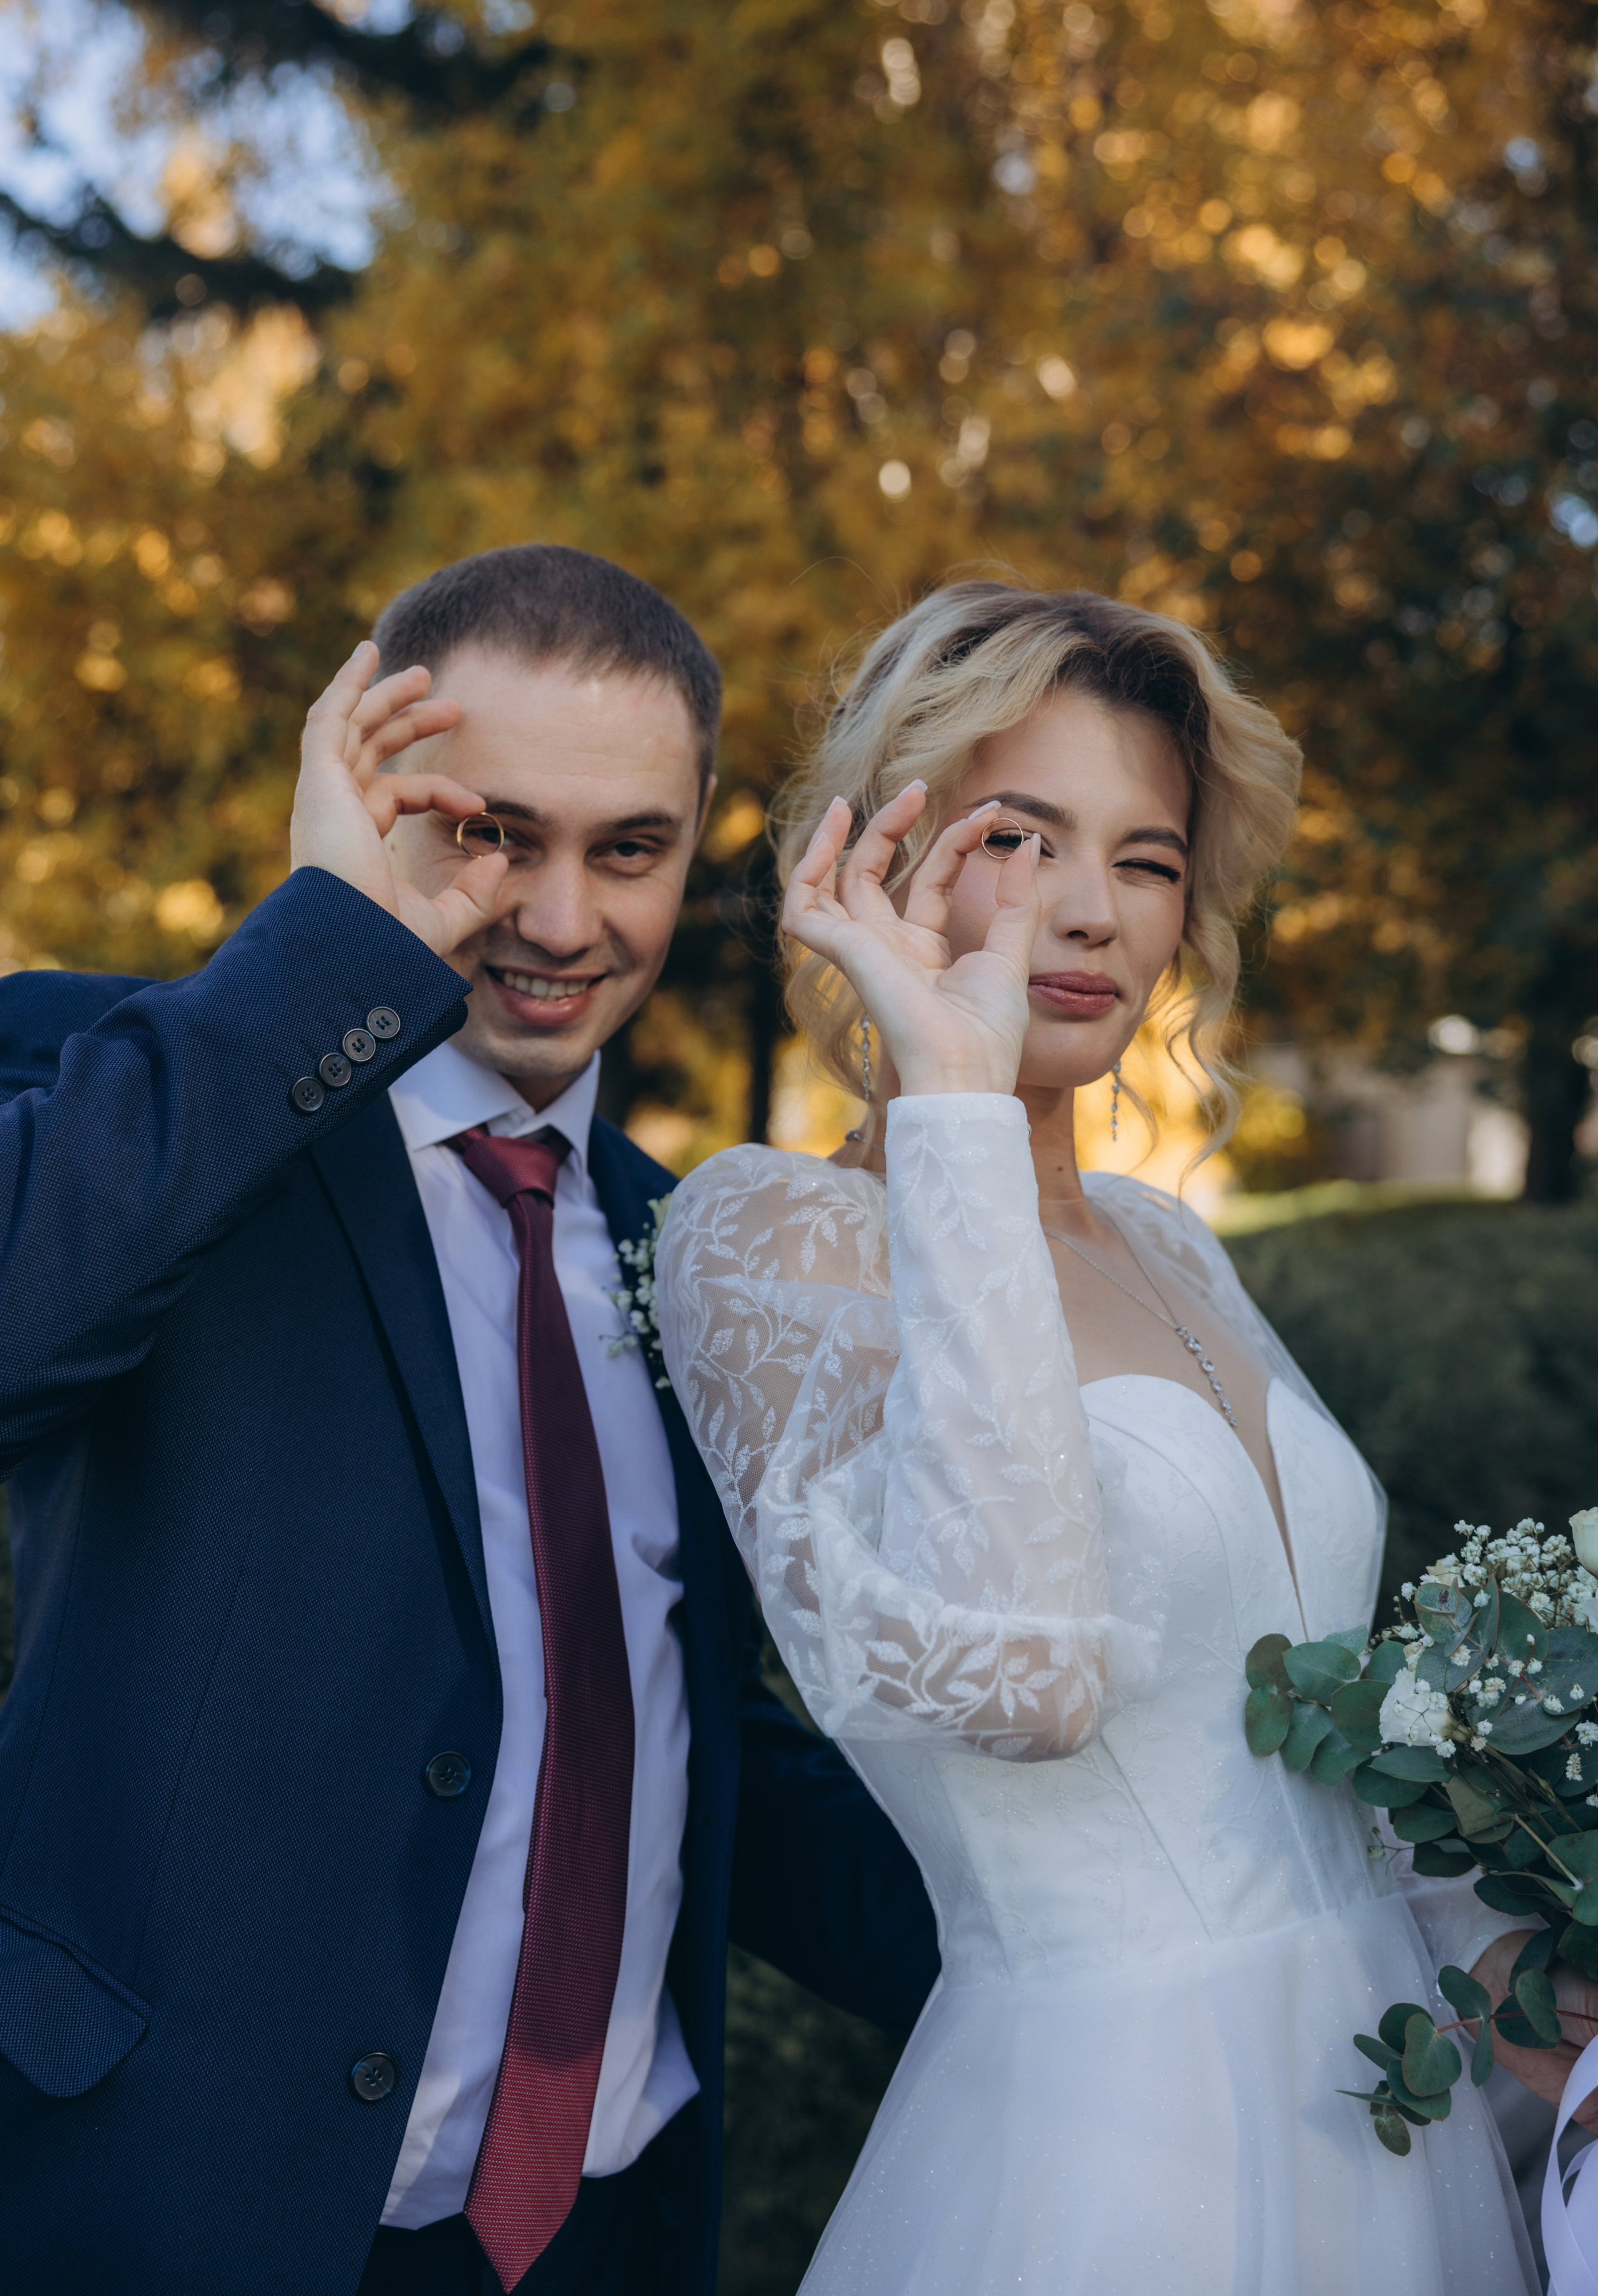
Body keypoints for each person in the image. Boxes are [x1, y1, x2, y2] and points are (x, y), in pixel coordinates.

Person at [0, 543, 938, 2296]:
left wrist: (1114, 1972)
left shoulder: (701, 1252)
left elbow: (686, 1731)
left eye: (630, 850)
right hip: (174, 2203)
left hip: (599, 2228)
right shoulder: (136, 1083)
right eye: (495, 832)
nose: (564, 921)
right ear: (368, 803)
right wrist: (320, 949)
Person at [654, 580, 1543, 2295]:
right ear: (885, 849)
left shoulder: (1170, 1238)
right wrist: (959, 1107)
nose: (1091, 915)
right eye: (1021, 836)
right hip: (1107, 2160)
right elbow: (1022, 1683)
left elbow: (1320, 1746)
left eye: (1145, 859)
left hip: (1382, 2114)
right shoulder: (765, 1237)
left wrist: (1525, 1966)